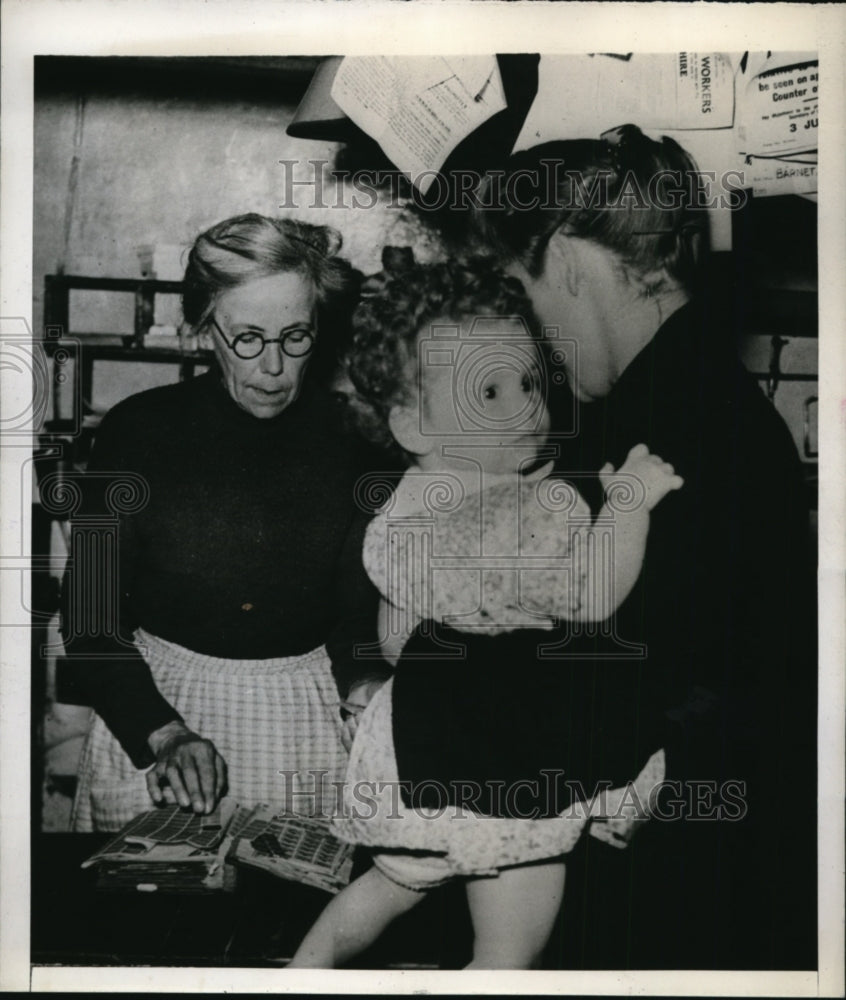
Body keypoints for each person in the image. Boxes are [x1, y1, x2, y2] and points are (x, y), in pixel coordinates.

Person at [420, 123, 812, 969]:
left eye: (526, 291)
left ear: (564, 262)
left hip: (668, 889)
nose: (539, 331)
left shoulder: (661, 430)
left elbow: (622, 686)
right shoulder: (699, 400)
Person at [289, 252, 684, 969]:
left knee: (392, 881)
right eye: (490, 392)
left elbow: (399, 632)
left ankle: (301, 975)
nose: (528, 405)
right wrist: (630, 505)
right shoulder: (503, 512)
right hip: (499, 755)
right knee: (508, 953)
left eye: (529, 381)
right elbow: (593, 594)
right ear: (412, 425)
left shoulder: (415, 497)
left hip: (426, 746)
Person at [61, 213, 390, 832]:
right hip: (157, 719)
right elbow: (89, 621)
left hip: (302, 723)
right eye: (248, 337)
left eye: (297, 336)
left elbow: (355, 627)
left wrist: (370, 691)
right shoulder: (137, 434)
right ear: (204, 328)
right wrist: (163, 733)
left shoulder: (354, 441)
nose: (273, 366)